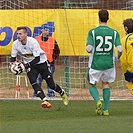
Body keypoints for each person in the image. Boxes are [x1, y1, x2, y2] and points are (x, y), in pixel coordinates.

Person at [10, 26, 68, 108]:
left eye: (20, 34)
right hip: (31, 66)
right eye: (17, 34)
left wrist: (26, 65)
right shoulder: (15, 44)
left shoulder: (33, 42)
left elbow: (37, 59)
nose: (18, 36)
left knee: (51, 85)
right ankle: (45, 100)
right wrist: (12, 67)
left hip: (41, 63)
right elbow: (13, 58)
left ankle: (62, 92)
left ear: (26, 34)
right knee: (33, 81)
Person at [86, 9, 122, 116]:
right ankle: (105, 110)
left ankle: (98, 101)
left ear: (99, 18)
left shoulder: (92, 32)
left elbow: (88, 48)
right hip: (109, 64)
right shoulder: (114, 33)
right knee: (106, 84)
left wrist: (92, 49)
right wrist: (118, 58)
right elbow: (120, 49)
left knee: (91, 84)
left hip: (96, 63)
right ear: (108, 19)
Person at [33, 24, 60, 98]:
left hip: (49, 63)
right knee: (38, 79)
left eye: (47, 30)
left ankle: (50, 93)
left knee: (49, 79)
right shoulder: (36, 39)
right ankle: (37, 93)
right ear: (41, 30)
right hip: (39, 63)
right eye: (44, 30)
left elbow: (57, 51)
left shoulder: (52, 40)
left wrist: (52, 58)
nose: (45, 32)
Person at [120, 18, 133, 96]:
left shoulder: (124, 40)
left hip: (131, 68)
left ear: (126, 28)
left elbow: (123, 59)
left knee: (128, 82)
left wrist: (125, 72)